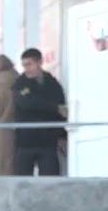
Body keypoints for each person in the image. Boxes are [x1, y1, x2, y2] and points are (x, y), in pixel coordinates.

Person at [11, 47, 67, 176]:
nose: (27, 69)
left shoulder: (52, 83)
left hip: (47, 141)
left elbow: (61, 109)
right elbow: (26, 103)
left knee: (50, 180)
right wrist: (54, 108)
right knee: (23, 181)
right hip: (25, 141)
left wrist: (62, 135)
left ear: (40, 62)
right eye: (24, 65)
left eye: (29, 64)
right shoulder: (20, 83)